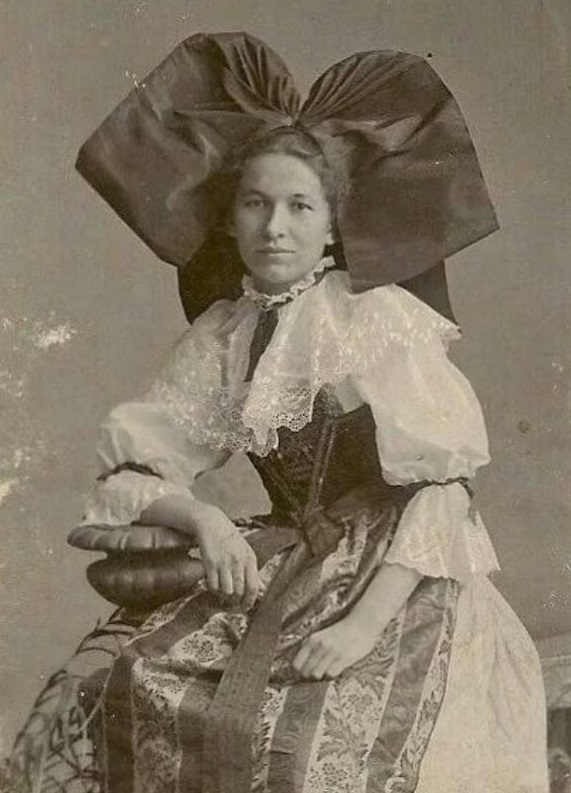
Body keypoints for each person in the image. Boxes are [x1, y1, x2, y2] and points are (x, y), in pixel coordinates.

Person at [72, 33, 549, 793]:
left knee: (322, 743)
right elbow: (133, 465)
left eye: (299, 206)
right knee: (141, 680)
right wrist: (208, 522)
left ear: (333, 224)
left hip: (401, 576)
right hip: (292, 563)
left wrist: (360, 626)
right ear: (228, 221)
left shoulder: (371, 316)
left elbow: (445, 487)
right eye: (255, 204)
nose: (274, 227)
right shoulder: (224, 333)